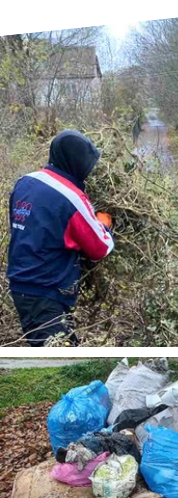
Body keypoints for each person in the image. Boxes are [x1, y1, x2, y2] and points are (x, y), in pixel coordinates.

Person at [6, 129, 114, 346]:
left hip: (21, 286)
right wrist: (104, 223)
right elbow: (100, 248)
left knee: (63, 342)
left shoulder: (25, 182)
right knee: (56, 346)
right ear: (77, 162)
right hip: (46, 292)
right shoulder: (71, 197)